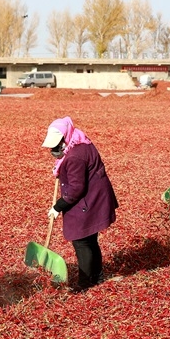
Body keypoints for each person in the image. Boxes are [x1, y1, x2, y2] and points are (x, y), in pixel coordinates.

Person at [42, 116, 119, 292]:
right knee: (91, 239)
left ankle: (85, 283)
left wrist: (57, 207)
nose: (54, 149)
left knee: (81, 241)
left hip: (87, 201)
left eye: (56, 145)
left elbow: (76, 189)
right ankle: (96, 277)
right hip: (94, 197)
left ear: (64, 138)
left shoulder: (75, 157)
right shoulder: (79, 141)